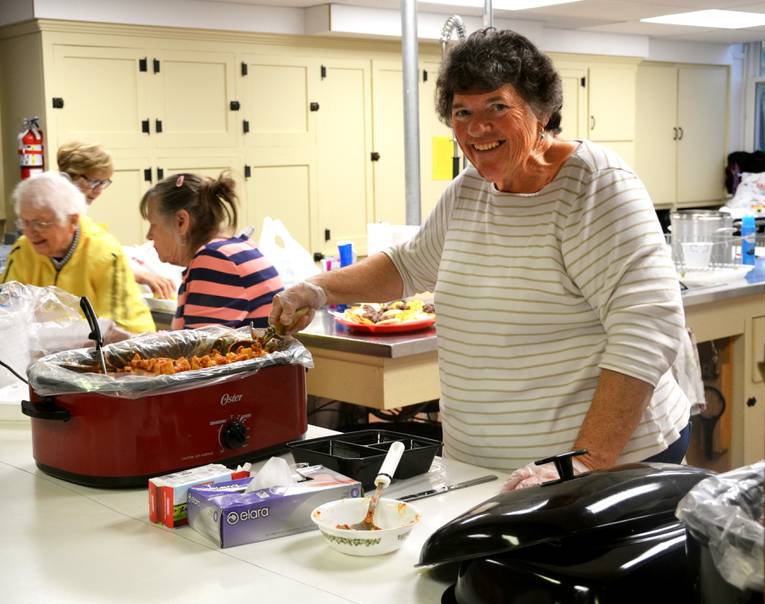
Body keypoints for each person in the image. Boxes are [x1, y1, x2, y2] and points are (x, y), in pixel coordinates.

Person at [271, 29, 692, 490]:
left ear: (541, 109)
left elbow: (648, 327)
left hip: (599, 469)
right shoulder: (469, 191)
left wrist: (586, 461)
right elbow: (409, 265)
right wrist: (319, 288)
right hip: (485, 470)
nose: (476, 128)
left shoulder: (594, 187)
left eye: (497, 107)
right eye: (462, 113)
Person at [2, 171, 156, 335]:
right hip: (45, 352)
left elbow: (119, 328)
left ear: (72, 221)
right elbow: (6, 309)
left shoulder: (104, 252)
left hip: (113, 350)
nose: (31, 232)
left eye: (41, 224)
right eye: (25, 222)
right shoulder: (23, 250)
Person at [139, 172, 283, 330]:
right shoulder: (238, 247)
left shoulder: (214, 259)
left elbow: (198, 350)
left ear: (181, 221)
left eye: (153, 224)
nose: (149, 235)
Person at [57, 141, 177, 299]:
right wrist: (140, 276)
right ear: (69, 177)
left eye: (104, 183)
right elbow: (81, 263)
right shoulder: (58, 214)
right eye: (94, 182)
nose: (99, 190)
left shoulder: (77, 209)